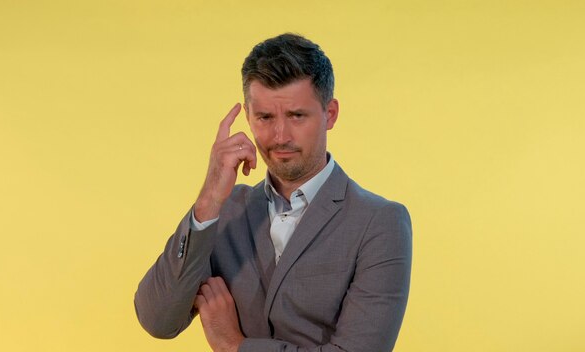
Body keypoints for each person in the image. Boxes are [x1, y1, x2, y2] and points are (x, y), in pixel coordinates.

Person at [134, 33, 412, 352]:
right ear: (249, 117)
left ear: (330, 114)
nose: (280, 136)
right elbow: (158, 320)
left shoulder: (379, 222)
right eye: (265, 117)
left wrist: (234, 345)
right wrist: (209, 197)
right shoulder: (224, 211)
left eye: (296, 116)